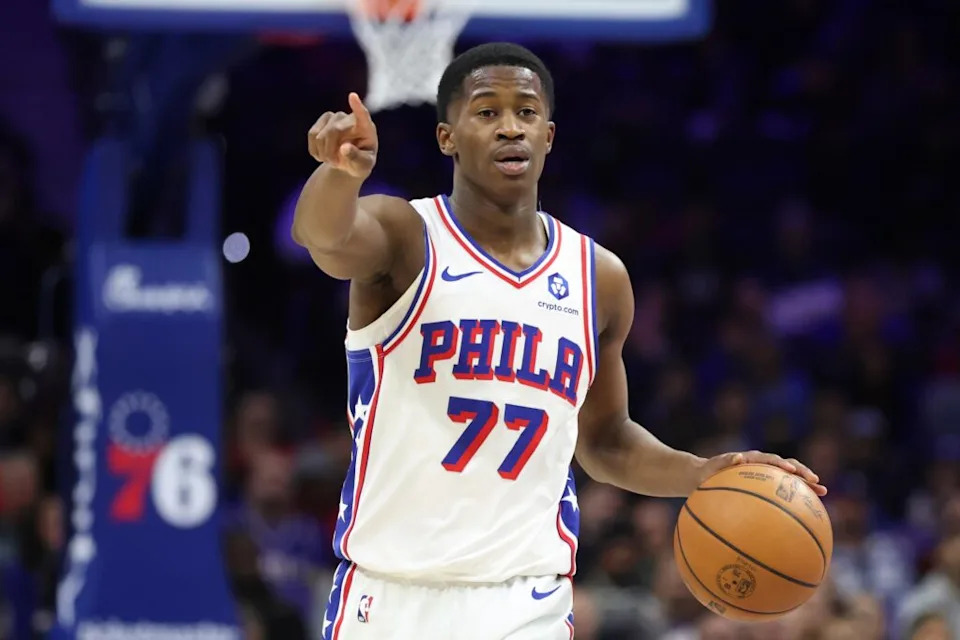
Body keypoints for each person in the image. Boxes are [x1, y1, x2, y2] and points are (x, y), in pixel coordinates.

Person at [292, 42, 826, 640]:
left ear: (549, 134)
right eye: (486, 112)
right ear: (448, 137)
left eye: (525, 111)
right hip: (392, 595)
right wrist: (339, 176)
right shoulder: (406, 235)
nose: (509, 127)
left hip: (526, 600)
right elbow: (324, 238)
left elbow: (604, 440)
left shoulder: (599, 278)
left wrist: (702, 473)